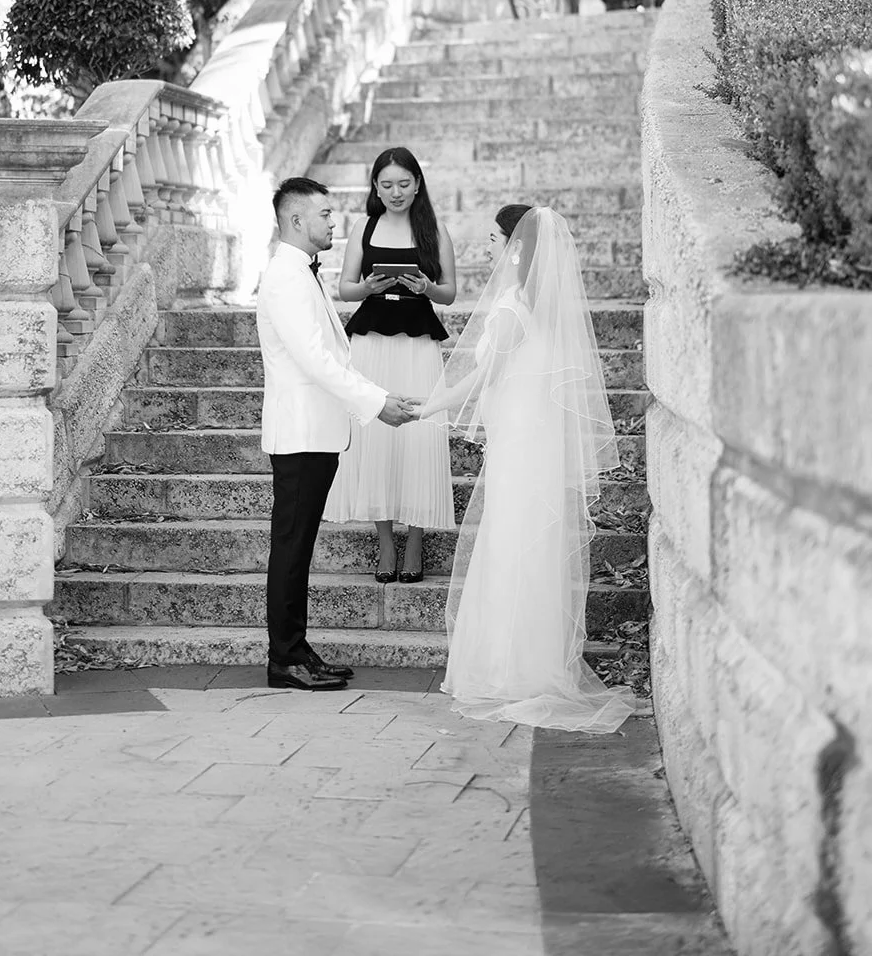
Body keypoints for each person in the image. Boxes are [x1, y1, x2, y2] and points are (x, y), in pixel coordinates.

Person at [419, 202, 636, 732]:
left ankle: (514, 670)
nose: (488, 247)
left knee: (511, 544)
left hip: (520, 445)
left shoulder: (513, 309)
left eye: (495, 238)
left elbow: (482, 379)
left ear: (516, 246)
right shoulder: (531, 306)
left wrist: (425, 407)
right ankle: (519, 661)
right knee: (517, 545)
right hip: (522, 439)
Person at [256, 176, 417, 690]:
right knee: (291, 547)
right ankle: (284, 659)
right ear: (296, 220)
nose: (333, 222)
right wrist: (377, 404)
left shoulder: (302, 273)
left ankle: (297, 650)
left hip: (317, 433)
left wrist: (375, 395)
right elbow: (315, 361)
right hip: (301, 434)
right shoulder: (284, 276)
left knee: (298, 549)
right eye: (324, 214)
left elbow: (330, 357)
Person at [323, 146, 456, 583]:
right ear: (375, 187)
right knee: (375, 436)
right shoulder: (365, 225)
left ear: (417, 184)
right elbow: (344, 289)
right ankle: (384, 540)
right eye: (387, 185)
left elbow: (449, 293)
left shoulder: (433, 228)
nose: (396, 192)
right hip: (372, 344)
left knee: (418, 435)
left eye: (404, 183)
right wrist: (367, 286)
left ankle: (415, 540)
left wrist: (426, 287)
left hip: (418, 344)